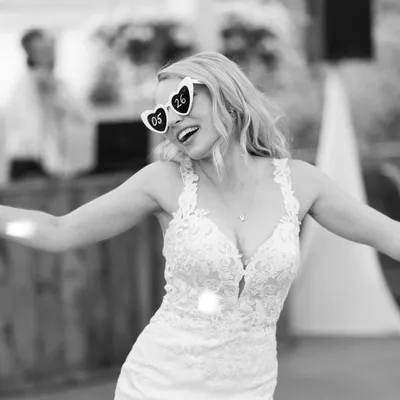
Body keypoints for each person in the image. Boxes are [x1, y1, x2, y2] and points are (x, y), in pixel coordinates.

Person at [0, 52, 399, 399]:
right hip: (159, 385)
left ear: (223, 93)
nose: (173, 120)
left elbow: (390, 235)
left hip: (250, 389)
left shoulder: (301, 182)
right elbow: (57, 231)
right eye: (160, 117)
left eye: (181, 100)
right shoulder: (163, 181)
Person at [2, 28, 95, 182]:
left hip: (53, 167)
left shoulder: (59, 85)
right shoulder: (23, 86)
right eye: (41, 50)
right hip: (29, 163)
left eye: (50, 48)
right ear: (30, 53)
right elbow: (26, 131)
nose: (49, 54)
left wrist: (56, 93)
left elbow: (84, 116)